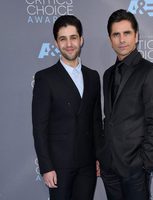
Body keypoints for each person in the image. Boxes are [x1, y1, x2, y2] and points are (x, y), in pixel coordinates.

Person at [97, 9, 153, 200]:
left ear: (136, 36)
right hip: (109, 166)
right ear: (110, 39)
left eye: (127, 33)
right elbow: (109, 118)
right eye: (116, 34)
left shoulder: (151, 73)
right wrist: (102, 154)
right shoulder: (107, 74)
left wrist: (145, 163)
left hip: (134, 168)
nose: (122, 40)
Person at [32, 15, 102, 200]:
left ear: (81, 40)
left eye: (73, 37)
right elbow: (40, 128)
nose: (69, 44)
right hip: (59, 166)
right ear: (56, 43)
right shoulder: (45, 78)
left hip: (87, 165)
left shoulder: (93, 76)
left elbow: (95, 121)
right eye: (63, 39)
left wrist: (98, 157)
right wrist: (46, 167)